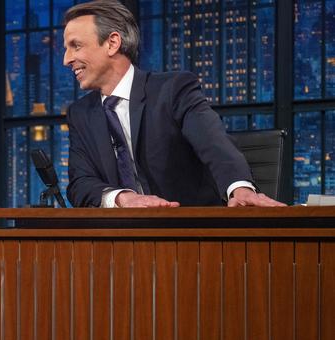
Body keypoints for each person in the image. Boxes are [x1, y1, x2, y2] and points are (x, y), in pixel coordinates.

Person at [63, 0, 286, 208]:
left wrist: (239, 187)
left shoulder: (173, 90)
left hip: (191, 235)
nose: (67, 59)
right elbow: (80, 183)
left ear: (112, 43)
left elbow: (213, 144)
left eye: (76, 46)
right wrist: (122, 198)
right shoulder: (80, 113)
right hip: (122, 237)